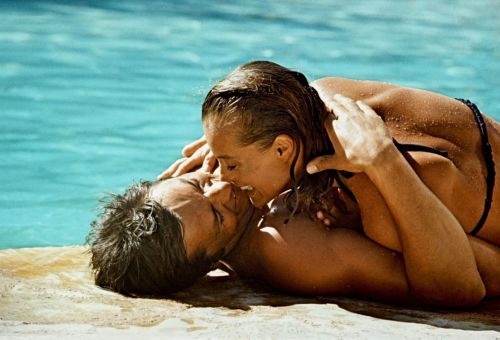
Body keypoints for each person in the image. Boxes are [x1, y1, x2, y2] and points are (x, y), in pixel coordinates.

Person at [158, 61, 500, 255]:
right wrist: (231, 142)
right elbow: (268, 92)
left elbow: (479, 280)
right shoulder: (322, 94)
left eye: (229, 165)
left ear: (283, 149)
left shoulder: (381, 195)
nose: (221, 179)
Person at [87, 170, 500, 307]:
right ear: (213, 262)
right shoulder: (292, 249)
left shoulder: (217, 188)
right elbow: (441, 279)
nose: (223, 187)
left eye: (200, 181)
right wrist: (375, 197)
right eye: (217, 214)